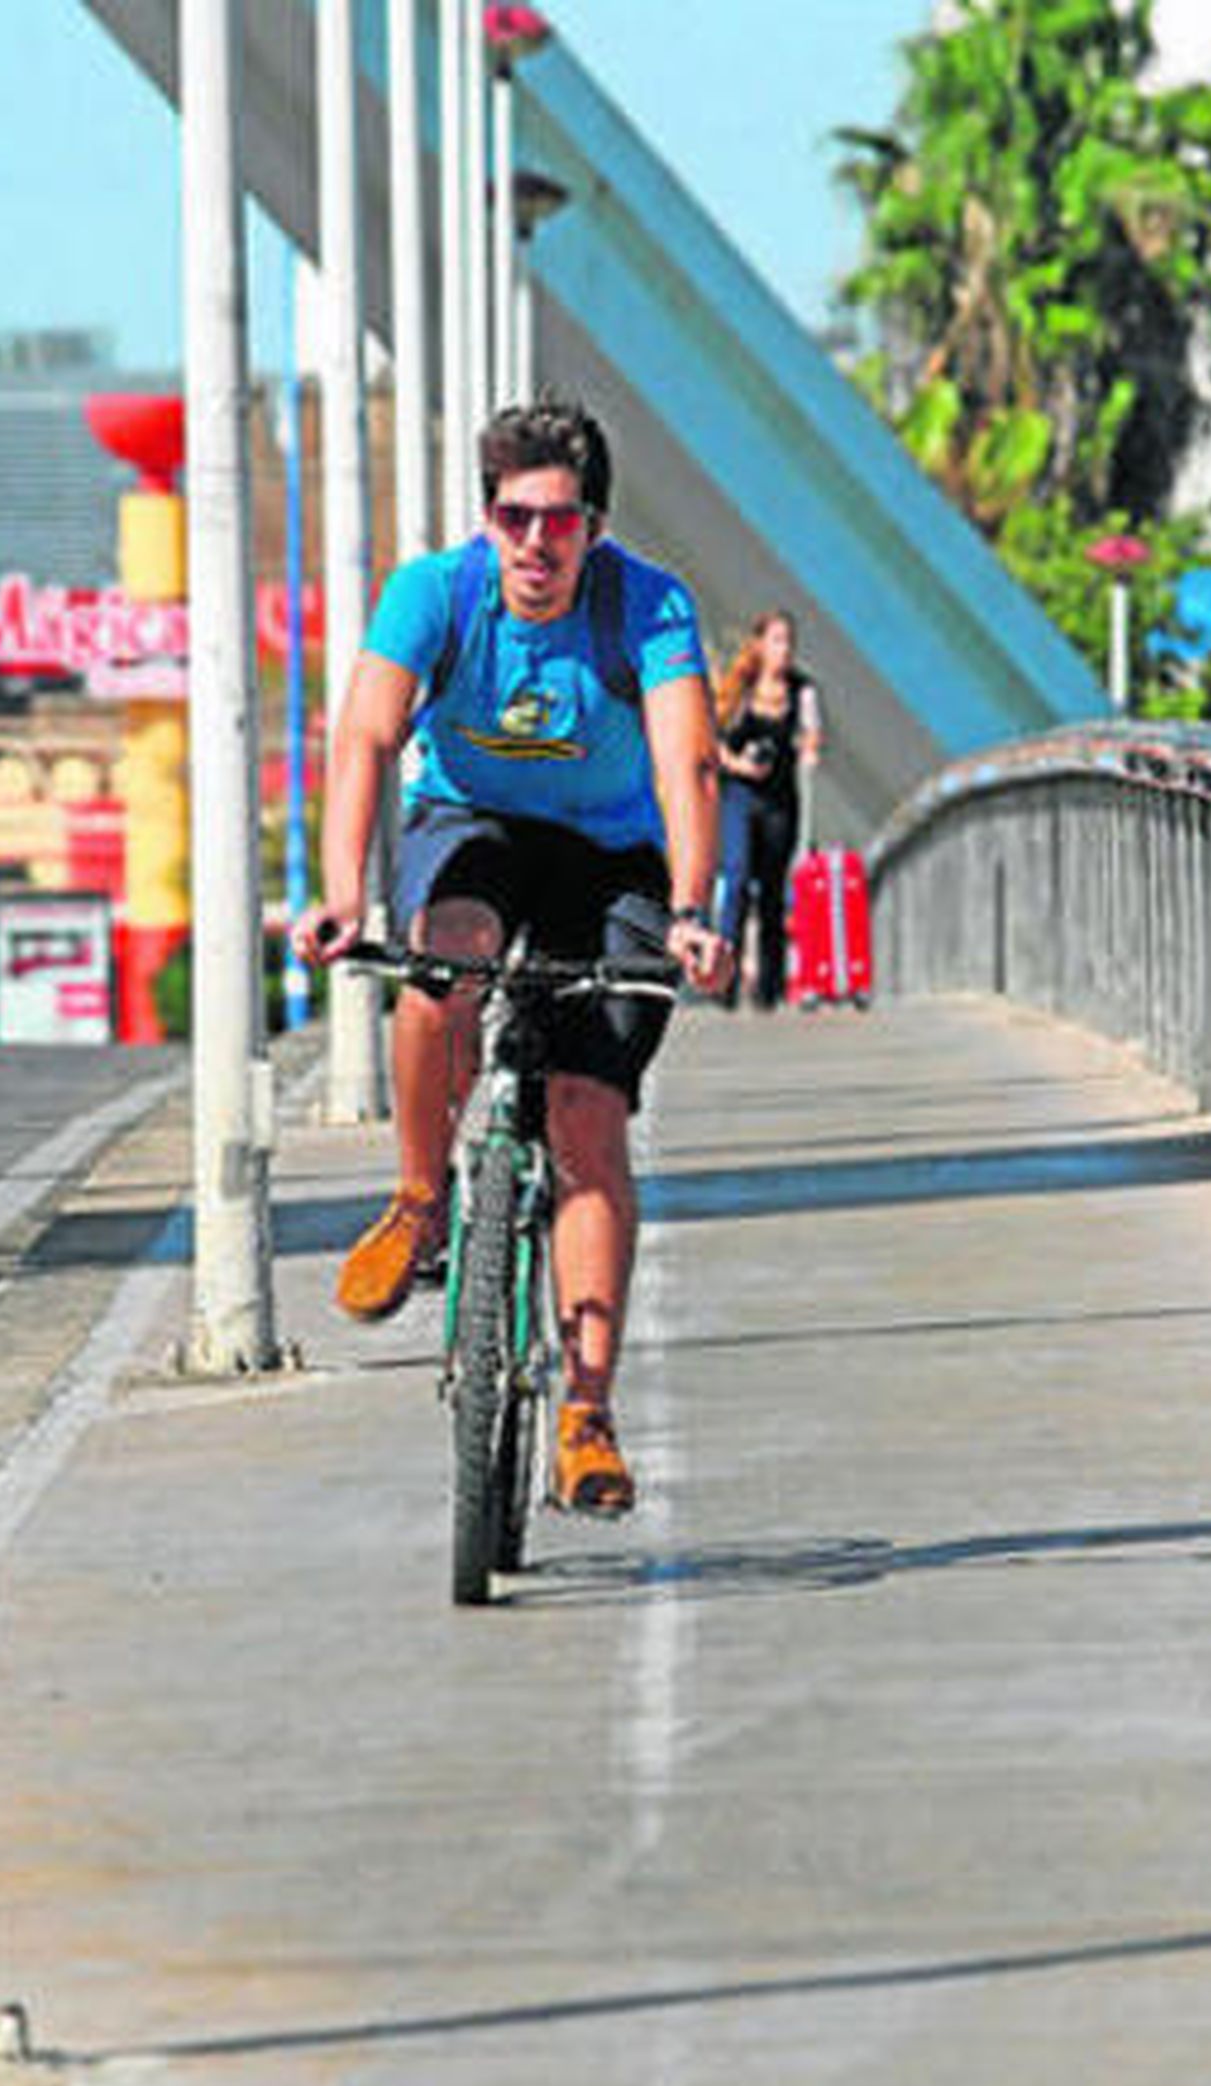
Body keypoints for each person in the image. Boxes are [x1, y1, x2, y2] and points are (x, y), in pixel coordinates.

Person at [294, 397, 731, 1517]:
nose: (536, 544)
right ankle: (416, 1197)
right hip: (473, 828)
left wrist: (691, 905)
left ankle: (585, 1416)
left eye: (560, 522)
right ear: (486, 519)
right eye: (514, 517)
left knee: (586, 1110)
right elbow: (367, 735)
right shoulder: (434, 593)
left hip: (616, 856)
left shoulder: (647, 604)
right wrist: (342, 893)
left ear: (594, 525)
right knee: (446, 955)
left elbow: (687, 762)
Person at [713, 610, 824, 1009]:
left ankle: (769, 990)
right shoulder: (740, 688)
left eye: (788, 642)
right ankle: (724, 980)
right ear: (759, 644)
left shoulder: (802, 690)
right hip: (741, 794)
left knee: (774, 891)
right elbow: (713, 741)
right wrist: (740, 764)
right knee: (738, 879)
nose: (784, 650)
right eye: (777, 641)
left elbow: (812, 732)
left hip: (780, 797)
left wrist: (808, 749)